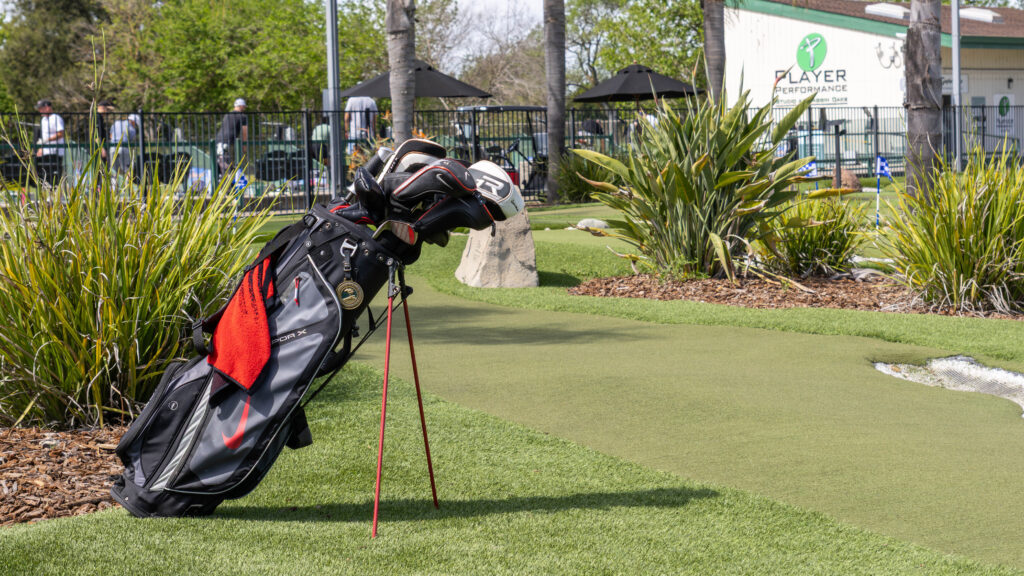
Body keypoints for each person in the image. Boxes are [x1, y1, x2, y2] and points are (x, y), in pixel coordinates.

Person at [216, 98, 248, 173]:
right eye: (243, 107)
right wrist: (244, 146)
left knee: (221, 160)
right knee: (229, 162)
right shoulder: (243, 116)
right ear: (241, 106)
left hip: (219, 139)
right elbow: (244, 132)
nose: (244, 109)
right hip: (230, 141)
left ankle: (223, 178)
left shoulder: (227, 115)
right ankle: (229, 180)